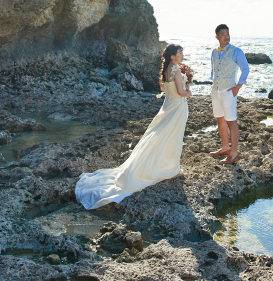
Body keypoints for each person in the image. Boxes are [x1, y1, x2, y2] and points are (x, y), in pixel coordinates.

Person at [75, 44, 192, 209]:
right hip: (177, 107)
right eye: (180, 52)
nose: (182, 54)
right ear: (173, 56)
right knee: (172, 136)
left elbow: (163, 88)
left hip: (168, 106)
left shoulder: (167, 70)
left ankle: (163, 165)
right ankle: (168, 167)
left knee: (161, 136)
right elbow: (181, 92)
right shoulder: (176, 70)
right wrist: (189, 91)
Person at [209, 24, 249, 164]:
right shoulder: (214, 51)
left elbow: (245, 69)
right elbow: (214, 70)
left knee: (231, 122)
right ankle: (225, 148)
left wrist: (237, 88)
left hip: (229, 92)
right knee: (220, 120)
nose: (226, 36)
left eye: (227, 34)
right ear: (217, 37)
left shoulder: (237, 51)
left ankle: (233, 153)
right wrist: (213, 84)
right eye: (222, 34)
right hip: (216, 91)